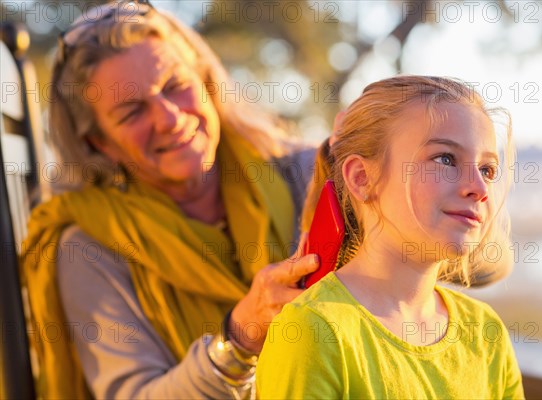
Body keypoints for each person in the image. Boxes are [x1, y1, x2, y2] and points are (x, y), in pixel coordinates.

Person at [20, 1, 320, 398]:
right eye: (132, 112)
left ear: (206, 81)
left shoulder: (307, 174)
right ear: (100, 144)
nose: (169, 118)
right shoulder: (90, 248)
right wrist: (240, 339)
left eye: (176, 86)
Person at [257, 75, 525, 399]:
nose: (480, 189)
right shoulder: (313, 330)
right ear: (362, 178)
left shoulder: (485, 331)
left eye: (487, 170)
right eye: (445, 158)